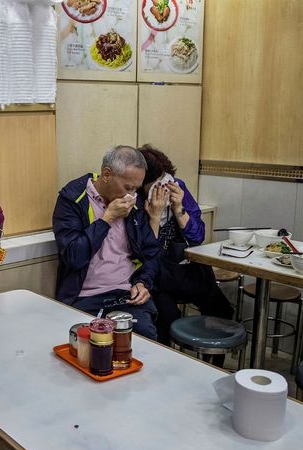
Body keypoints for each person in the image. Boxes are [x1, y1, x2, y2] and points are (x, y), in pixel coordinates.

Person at [52, 145, 161, 339]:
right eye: (127, 187)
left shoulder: (133, 203)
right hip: (85, 298)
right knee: (93, 347)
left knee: (145, 341)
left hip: (127, 295)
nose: (132, 195)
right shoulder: (73, 199)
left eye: (136, 189)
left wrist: (143, 283)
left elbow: (152, 251)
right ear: (107, 174)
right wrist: (106, 219)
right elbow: (73, 257)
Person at [138, 144, 234, 346]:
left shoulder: (178, 188)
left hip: (188, 271)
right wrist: (153, 217)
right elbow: (143, 250)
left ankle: (213, 363)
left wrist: (179, 208)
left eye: (168, 177)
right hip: (156, 278)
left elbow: (198, 236)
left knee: (222, 310)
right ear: (142, 185)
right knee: (167, 317)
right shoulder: (136, 201)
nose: (166, 185)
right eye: (158, 182)